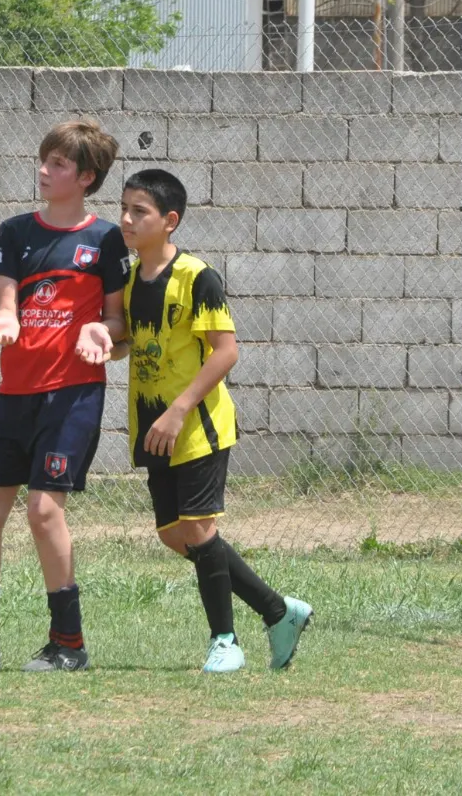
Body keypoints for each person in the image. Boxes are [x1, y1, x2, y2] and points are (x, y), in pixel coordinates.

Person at [76, 168, 313, 673]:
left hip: (196, 424)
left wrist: (180, 409)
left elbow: (225, 352)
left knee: (200, 528)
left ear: (170, 221)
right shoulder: (128, 279)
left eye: (139, 211)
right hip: (150, 423)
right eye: (124, 208)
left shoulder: (197, 277)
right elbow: (131, 345)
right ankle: (278, 610)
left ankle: (225, 641)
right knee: (173, 534)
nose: (126, 219)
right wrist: (106, 344)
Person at [0, 119, 129, 673]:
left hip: (72, 395)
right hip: (15, 395)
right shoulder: (14, 232)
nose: (44, 170)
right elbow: (7, 303)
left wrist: (101, 331)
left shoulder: (105, 240)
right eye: (43, 160)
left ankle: (69, 644)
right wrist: (5, 323)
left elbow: (118, 321)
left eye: (58, 164)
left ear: (86, 176)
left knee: (42, 511)